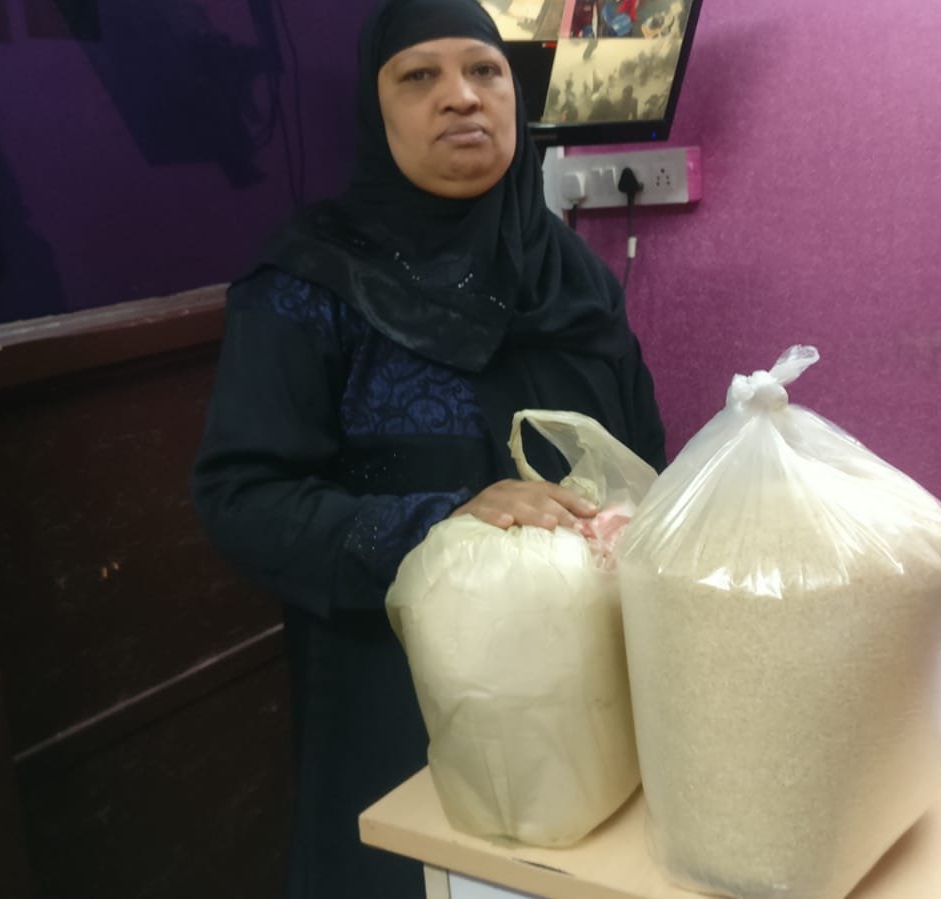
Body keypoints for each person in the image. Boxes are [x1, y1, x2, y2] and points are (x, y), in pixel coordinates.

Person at [190, 0, 666, 896]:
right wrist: (443, 524)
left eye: (485, 71)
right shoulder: (308, 284)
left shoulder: (575, 280)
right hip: (399, 717)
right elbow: (241, 499)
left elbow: (644, 459)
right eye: (419, 76)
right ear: (374, 111)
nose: (461, 96)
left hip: (593, 706)